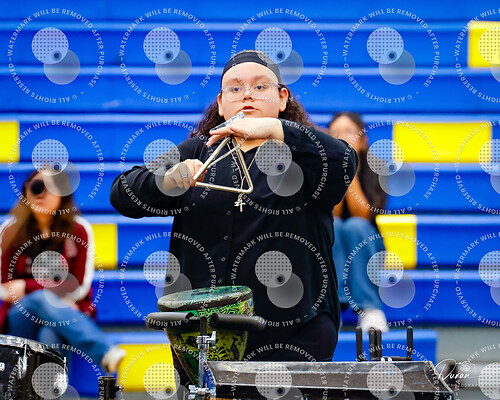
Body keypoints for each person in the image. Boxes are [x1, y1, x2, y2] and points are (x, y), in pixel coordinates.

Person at [110, 50, 357, 384]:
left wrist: (275, 129)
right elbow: (122, 193)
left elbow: (344, 161)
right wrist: (167, 181)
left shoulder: (304, 156)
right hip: (204, 335)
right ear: (221, 103)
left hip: (294, 333)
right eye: (236, 88)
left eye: (260, 87)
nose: (247, 95)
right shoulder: (199, 150)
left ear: (282, 98)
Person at [0, 170, 126, 373]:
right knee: (41, 299)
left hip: (64, 315)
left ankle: (50, 389)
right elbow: (5, 289)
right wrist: (52, 294)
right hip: (20, 315)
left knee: (50, 334)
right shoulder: (9, 230)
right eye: (36, 187)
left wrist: (26, 286)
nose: (41, 194)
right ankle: (103, 351)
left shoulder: (79, 229)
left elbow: (79, 286)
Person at [328, 112, 389, 332]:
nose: (341, 137)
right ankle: (331, 307)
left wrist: (349, 170)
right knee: (333, 227)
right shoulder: (321, 168)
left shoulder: (377, 167)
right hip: (333, 235)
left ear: (362, 140)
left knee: (355, 226)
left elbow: (363, 215)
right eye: (335, 133)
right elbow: (329, 213)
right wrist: (337, 169)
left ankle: (370, 308)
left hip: (368, 241)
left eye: (348, 132)